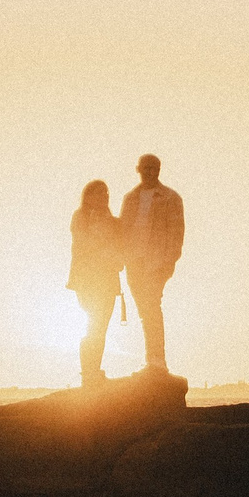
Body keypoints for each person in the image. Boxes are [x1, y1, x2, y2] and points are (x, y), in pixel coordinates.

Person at [118, 154, 185, 373]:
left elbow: (177, 233)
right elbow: (123, 230)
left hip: (156, 262)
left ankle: (157, 361)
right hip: (134, 261)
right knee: (145, 311)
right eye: (146, 167)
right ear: (138, 169)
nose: (150, 171)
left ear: (159, 169)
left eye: (154, 167)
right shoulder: (130, 198)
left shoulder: (170, 198)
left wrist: (168, 262)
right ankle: (152, 360)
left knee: (152, 306)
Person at [66, 180, 125, 385]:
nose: (104, 196)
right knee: (94, 324)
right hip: (86, 281)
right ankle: (88, 373)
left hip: (108, 279)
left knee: (101, 327)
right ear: (88, 196)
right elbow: (83, 245)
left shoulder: (113, 222)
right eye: (99, 193)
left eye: (106, 193)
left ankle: (94, 371)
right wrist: (105, 239)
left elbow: (121, 249)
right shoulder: (80, 217)